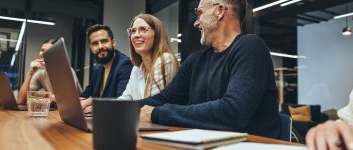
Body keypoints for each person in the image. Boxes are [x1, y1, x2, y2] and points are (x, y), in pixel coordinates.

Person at [137, 0, 281, 139]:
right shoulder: (195, 61)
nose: (196, 22)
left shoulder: (251, 47)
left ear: (219, 11)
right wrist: (123, 109)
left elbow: (232, 113)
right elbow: (164, 99)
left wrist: (157, 114)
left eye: (199, 13)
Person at [80, 14, 180, 113]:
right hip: (140, 123)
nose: (136, 35)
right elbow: (125, 98)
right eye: (132, 31)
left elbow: (151, 104)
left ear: (157, 34)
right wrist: (98, 105)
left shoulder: (165, 60)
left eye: (143, 29)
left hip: (162, 127)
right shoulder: (137, 68)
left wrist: (100, 107)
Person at [80, 24, 133, 112]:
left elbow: (122, 100)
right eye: (95, 43)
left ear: (113, 43)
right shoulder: (98, 68)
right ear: (91, 47)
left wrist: (95, 107)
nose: (100, 46)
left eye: (104, 41)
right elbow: (85, 95)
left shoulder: (125, 64)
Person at [17, 38, 82, 105]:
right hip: (56, 111)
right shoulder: (41, 74)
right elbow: (21, 101)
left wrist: (46, 97)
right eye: (42, 50)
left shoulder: (67, 71)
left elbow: (68, 100)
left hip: (78, 111)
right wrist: (29, 73)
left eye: (48, 51)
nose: (43, 54)